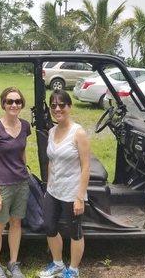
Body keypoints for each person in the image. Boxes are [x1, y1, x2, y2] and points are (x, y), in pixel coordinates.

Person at [39, 89, 91, 278]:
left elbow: (86, 167)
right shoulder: (52, 131)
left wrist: (79, 197)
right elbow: (52, 161)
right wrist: (48, 187)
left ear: (69, 106)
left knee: (75, 231)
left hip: (72, 192)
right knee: (50, 227)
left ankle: (74, 270)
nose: (57, 109)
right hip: (53, 190)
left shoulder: (79, 133)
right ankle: (58, 264)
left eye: (62, 105)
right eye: (53, 106)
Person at [0, 87, 31, 278]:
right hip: (2, 185)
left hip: (21, 183)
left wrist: (25, 170)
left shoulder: (25, 126)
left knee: (16, 223)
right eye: (10, 101)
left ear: (22, 104)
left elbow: (22, 151)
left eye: (17, 101)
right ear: (3, 103)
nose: (14, 105)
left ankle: (13, 263)